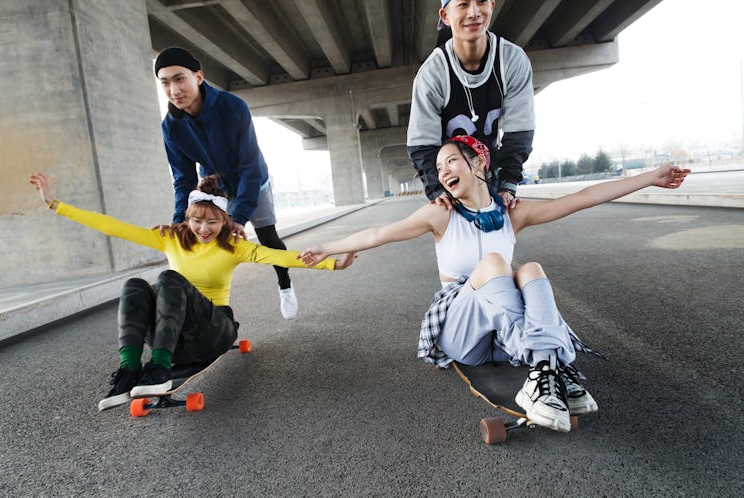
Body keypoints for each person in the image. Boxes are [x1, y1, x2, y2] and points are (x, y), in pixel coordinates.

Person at [298, 135, 690, 433]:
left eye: (452, 161)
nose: (443, 171)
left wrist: (651, 178)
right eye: (438, 167)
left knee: (531, 268)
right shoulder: (440, 215)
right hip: (460, 331)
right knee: (496, 263)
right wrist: (327, 247)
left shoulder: (510, 213)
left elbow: (582, 197)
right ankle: (547, 365)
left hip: (503, 337)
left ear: (479, 162)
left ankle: (542, 367)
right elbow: (379, 232)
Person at [28, 172, 355, 411]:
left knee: (169, 280)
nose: (203, 229)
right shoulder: (169, 237)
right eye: (197, 220)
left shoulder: (234, 246)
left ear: (224, 220)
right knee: (135, 286)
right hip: (174, 331)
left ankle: (158, 366)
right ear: (188, 216)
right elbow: (113, 226)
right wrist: (55, 204)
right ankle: (129, 369)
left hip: (215, 329)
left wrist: (332, 264)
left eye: (212, 222)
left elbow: (280, 257)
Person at [154, 46, 301, 320]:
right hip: (215, 186)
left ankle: (285, 285)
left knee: (267, 237)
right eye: (165, 83)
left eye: (179, 78)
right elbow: (183, 178)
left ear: (198, 76)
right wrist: (179, 220)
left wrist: (239, 218)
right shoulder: (170, 127)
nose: (174, 90)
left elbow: (249, 166)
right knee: (205, 242)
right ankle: (210, 313)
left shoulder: (233, 107)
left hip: (253, 178)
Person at [408, 0, 535, 212]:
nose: (474, 12)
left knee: (500, 239)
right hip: (452, 182)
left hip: (492, 172)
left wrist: (508, 185)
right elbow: (421, 144)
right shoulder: (432, 73)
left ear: (492, 5)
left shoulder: (512, 60)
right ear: (445, 16)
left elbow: (519, 132)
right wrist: (438, 191)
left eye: (481, 2)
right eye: (463, 4)